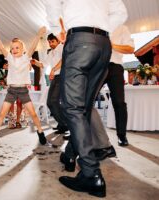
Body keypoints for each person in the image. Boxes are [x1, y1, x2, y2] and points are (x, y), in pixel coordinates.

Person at [48, 0, 128, 197]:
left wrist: (59, 29)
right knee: (83, 107)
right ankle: (69, 156)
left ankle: (91, 173)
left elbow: (52, 5)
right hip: (103, 45)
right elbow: (121, 12)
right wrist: (100, 28)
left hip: (79, 41)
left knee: (72, 108)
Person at [0, 26, 47, 145]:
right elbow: (1, 47)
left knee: (33, 114)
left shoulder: (26, 58)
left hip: (23, 90)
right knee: (2, 114)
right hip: (12, 90)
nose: (14, 50)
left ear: (23, 49)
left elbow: (33, 46)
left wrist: (39, 34)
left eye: (17, 48)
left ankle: (40, 132)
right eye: (12, 48)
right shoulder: (10, 58)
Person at [31, 33, 68, 133]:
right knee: (49, 102)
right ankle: (62, 123)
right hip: (55, 78)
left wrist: (53, 69)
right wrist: (35, 62)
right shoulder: (50, 53)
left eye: (52, 41)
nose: (50, 44)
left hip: (62, 77)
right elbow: (44, 64)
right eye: (49, 42)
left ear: (58, 41)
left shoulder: (62, 48)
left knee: (54, 101)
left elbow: (64, 60)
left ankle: (64, 124)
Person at [104, 25, 134, 146]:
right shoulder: (97, 24)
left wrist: (111, 45)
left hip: (115, 67)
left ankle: (122, 135)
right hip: (96, 66)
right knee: (87, 100)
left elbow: (131, 48)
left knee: (119, 102)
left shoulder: (122, 28)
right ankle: (83, 134)